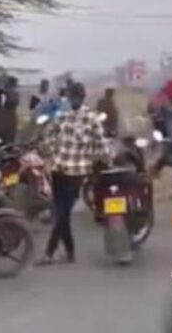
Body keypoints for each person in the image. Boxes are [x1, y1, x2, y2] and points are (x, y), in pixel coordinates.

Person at [36, 81, 108, 265]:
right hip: (66, 170)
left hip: (69, 170)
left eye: (76, 97)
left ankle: (49, 253)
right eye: (72, 97)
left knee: (62, 212)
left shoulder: (79, 118)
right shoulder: (72, 117)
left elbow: (99, 145)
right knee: (62, 212)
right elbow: (101, 146)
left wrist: (54, 150)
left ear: (80, 98)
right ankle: (70, 252)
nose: (74, 100)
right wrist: (103, 159)